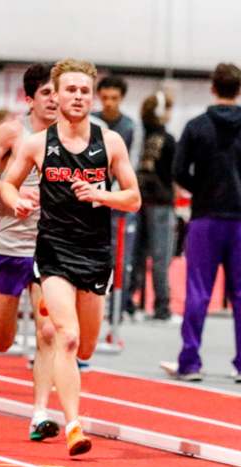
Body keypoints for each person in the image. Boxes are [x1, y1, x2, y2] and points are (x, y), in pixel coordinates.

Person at [1, 58, 141, 457]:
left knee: (86, 347)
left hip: (95, 254)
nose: (78, 97)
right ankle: (74, 426)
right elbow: (8, 186)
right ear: (56, 95)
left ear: (91, 96)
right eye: (71, 90)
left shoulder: (110, 141)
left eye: (84, 91)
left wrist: (101, 195)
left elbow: (133, 198)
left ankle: (71, 403)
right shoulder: (37, 143)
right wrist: (20, 200)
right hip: (54, 251)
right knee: (67, 336)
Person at [161, 63, 241, 383]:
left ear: (213, 88)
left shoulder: (196, 126)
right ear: (240, 89)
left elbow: (179, 170)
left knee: (198, 292)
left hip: (204, 220)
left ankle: (190, 362)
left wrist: (203, 190)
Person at [0, 63, 60, 442]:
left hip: (49, 249)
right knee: (3, 343)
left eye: (59, 92)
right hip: (9, 246)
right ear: (30, 98)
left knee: (48, 330)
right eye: (47, 94)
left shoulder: (71, 138)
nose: (55, 100)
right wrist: (11, 189)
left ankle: (39, 413)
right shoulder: (12, 132)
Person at [128, 91, 177, 321]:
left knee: (136, 253)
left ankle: (127, 303)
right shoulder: (167, 139)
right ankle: (162, 307)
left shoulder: (139, 135)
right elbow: (175, 171)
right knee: (161, 256)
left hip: (139, 199)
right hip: (161, 201)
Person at [93, 75, 139, 319]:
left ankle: (117, 308)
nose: (109, 103)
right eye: (105, 98)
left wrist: (120, 194)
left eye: (114, 98)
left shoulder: (131, 127)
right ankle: (95, 303)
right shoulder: (92, 123)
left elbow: (134, 163)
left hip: (119, 200)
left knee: (122, 257)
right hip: (93, 199)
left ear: (121, 99)